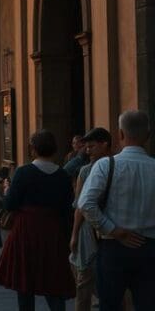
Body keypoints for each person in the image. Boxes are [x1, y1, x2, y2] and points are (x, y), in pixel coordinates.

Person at [78, 111, 155, 311]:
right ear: (148, 135)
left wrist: (113, 229)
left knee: (110, 305)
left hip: (114, 247)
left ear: (120, 134)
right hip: (149, 246)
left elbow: (86, 203)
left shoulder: (106, 165)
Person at [0, 130, 75, 311]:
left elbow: (10, 204)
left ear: (33, 149)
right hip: (52, 231)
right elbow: (67, 207)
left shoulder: (24, 172)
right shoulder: (62, 175)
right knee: (53, 283)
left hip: (27, 230)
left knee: (25, 283)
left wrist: (6, 190)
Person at [68, 127, 112, 311]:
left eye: (92, 146)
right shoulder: (85, 171)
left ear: (105, 145)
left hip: (108, 232)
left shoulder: (115, 165)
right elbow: (79, 206)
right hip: (90, 232)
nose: (88, 150)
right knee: (83, 282)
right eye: (86, 147)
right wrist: (75, 233)